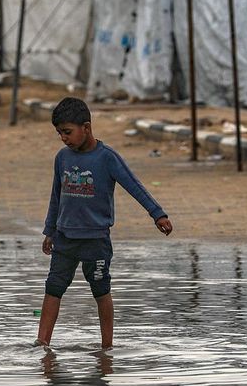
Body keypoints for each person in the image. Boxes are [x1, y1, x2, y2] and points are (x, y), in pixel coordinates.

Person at [36, 97, 173, 350]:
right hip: (65, 238)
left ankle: (107, 348)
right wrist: (49, 230)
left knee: (101, 290)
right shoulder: (62, 158)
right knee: (53, 288)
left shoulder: (107, 158)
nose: (63, 138)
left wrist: (157, 213)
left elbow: (133, 185)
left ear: (86, 127)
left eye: (67, 132)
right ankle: (42, 344)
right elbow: (56, 196)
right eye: (59, 133)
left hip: (96, 240)